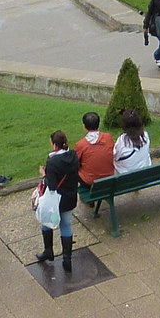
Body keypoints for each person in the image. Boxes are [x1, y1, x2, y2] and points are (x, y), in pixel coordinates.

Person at [36, 129, 81, 272]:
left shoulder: (52, 161)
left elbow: (52, 185)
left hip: (55, 201)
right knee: (66, 225)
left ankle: (48, 251)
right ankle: (67, 259)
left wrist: (44, 175)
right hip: (70, 198)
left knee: (47, 222)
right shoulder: (73, 155)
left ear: (55, 144)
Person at [74, 109, 115, 185]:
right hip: (109, 176)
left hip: (89, 181)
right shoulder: (108, 137)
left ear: (84, 126)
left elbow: (75, 162)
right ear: (98, 124)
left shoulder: (81, 144)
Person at [114, 108, 153, 174]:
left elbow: (115, 156)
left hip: (126, 179)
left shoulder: (122, 141)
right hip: (144, 175)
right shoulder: (145, 136)